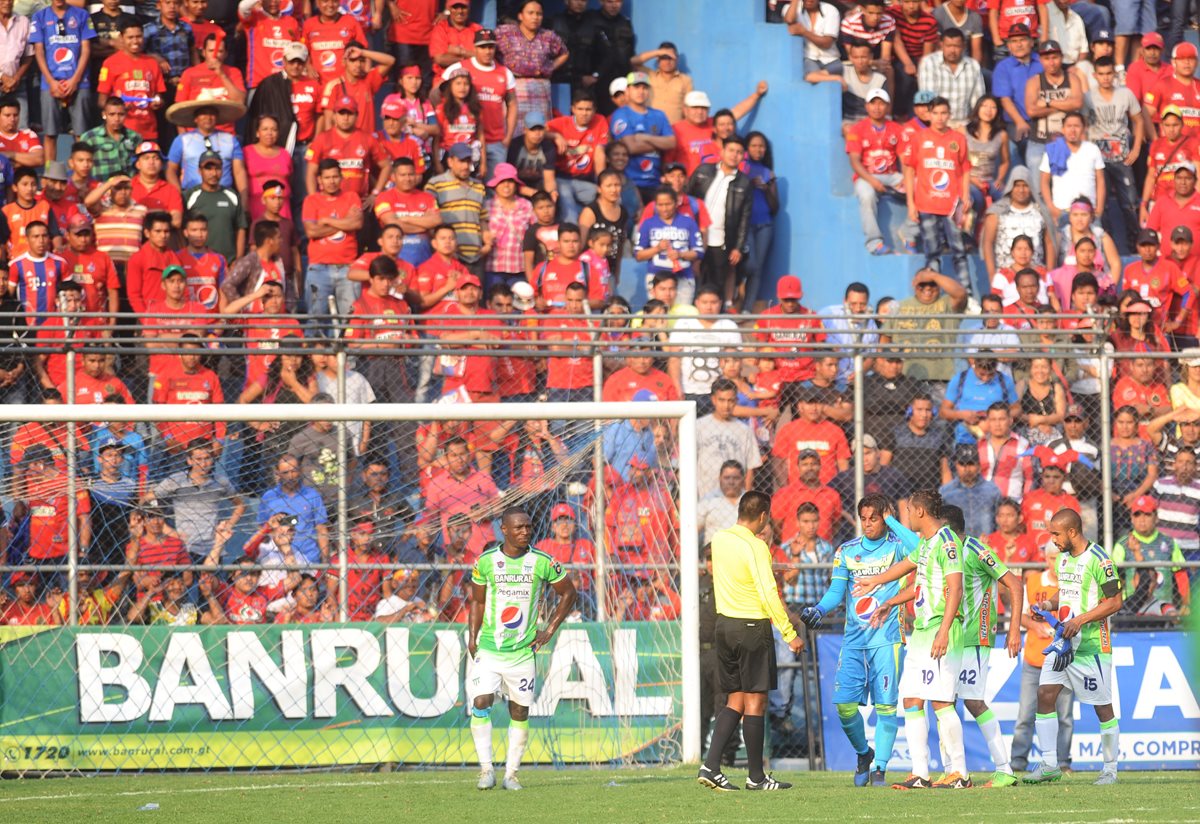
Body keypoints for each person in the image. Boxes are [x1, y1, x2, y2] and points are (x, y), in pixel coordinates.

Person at [852, 489, 967, 789]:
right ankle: (921, 773)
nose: (907, 516)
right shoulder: (928, 544)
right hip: (922, 633)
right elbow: (908, 570)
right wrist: (879, 587)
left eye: (908, 511)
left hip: (942, 632)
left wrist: (943, 631)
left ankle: (960, 773)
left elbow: (955, 589)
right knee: (912, 699)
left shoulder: (947, 541)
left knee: (942, 702)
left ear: (919, 512)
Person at [796, 493, 905, 787]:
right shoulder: (846, 550)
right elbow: (836, 591)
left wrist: (893, 520)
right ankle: (863, 753)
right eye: (864, 519)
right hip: (854, 639)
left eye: (875, 518)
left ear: (885, 517)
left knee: (886, 707)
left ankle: (880, 768)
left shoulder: (897, 547)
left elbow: (921, 550)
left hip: (887, 637)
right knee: (844, 706)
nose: (868, 524)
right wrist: (818, 608)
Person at [698, 490, 802, 792]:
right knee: (756, 701)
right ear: (763, 516)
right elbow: (768, 593)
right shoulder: (756, 546)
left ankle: (711, 765)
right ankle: (756, 777)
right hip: (751, 627)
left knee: (736, 700)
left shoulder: (719, 539)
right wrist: (789, 633)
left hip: (725, 626)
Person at [468, 505, 576, 791]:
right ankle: (485, 770)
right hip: (490, 648)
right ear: (504, 529)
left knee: (520, 712)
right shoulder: (486, 562)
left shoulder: (542, 561)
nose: (524, 531)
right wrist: (472, 636)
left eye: (528, 527)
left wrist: (549, 630)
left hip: (522, 653)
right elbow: (477, 601)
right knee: (481, 702)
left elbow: (569, 592)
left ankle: (511, 774)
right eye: (518, 527)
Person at [1026, 508, 1123, 785]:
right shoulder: (1064, 559)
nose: (1053, 540)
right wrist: (1047, 605)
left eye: (1056, 534)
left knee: (1102, 708)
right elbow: (1066, 593)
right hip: (1064, 644)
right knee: (1045, 694)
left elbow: (1115, 602)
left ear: (1072, 531)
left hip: (1091, 646)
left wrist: (1080, 620)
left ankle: (1110, 769)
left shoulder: (1100, 560)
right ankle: (1048, 764)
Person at [905, 97, 971, 290]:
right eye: (935, 113)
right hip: (926, 203)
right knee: (932, 252)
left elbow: (965, 169)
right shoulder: (919, 138)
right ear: (929, 114)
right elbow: (909, 170)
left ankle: (966, 294)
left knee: (959, 249)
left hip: (954, 204)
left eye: (944, 113)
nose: (940, 118)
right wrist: (911, 202)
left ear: (949, 115)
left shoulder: (958, 139)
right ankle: (932, 292)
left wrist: (965, 196)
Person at [1085, 57, 1143, 254]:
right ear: (1095, 76)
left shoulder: (1125, 94)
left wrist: (1136, 149)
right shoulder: (1087, 97)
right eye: (1101, 74)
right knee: (1103, 206)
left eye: (1109, 73)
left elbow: (1138, 120)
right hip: (1097, 160)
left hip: (1122, 158)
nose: (1105, 78)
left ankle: (1135, 245)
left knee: (1131, 203)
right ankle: (1105, 249)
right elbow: (1082, 125)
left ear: (1115, 74)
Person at [688, 136, 753, 310]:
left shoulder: (744, 183)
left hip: (722, 239)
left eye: (739, 152)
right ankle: (693, 314)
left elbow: (745, 218)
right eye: (731, 150)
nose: (734, 155)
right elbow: (687, 198)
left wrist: (738, 247)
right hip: (696, 237)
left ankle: (715, 318)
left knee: (717, 280)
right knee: (694, 276)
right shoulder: (703, 171)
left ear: (743, 156)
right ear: (722, 151)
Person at [30, 0, 96, 164]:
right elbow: (39, 51)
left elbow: (86, 49)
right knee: (51, 133)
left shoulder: (82, 15)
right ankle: (49, 176)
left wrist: (75, 80)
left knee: (81, 134)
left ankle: (80, 176)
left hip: (80, 82)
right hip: (50, 83)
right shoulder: (39, 17)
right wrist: (51, 81)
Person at [445, 28, 518, 173]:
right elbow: (437, 94)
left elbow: (512, 104)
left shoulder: (505, 73)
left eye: (490, 47)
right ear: (474, 47)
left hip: (496, 141)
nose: (487, 51)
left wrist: (508, 137)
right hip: (466, 142)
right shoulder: (459, 68)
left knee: (493, 187)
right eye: (482, 47)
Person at [302, 159, 363, 318]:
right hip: (319, 268)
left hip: (348, 268)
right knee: (316, 320)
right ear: (319, 180)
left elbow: (357, 223)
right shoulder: (311, 200)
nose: (332, 181)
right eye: (327, 178)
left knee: (350, 321)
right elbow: (312, 232)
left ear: (341, 178)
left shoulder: (351, 197)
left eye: (335, 177)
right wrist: (344, 222)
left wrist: (328, 221)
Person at [1110, 496, 1189, 614]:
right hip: (1133, 609)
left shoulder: (1168, 542)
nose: (1142, 520)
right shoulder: (1122, 545)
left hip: (1164, 609)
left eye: (1147, 514)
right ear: (1131, 518)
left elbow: (1180, 574)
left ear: (1156, 517)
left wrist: (1186, 604)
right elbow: (1112, 577)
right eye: (1137, 515)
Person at [610, 70, 675, 204]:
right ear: (627, 90)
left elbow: (672, 142)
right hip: (629, 182)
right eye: (636, 87)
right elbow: (631, 147)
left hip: (656, 181)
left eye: (644, 87)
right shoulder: (621, 115)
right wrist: (659, 143)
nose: (641, 91)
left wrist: (645, 137)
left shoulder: (659, 115)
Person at [1039, 112, 1105, 227]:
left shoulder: (1093, 149)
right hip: (1062, 210)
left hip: (1089, 210)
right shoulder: (1052, 151)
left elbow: (1100, 181)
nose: (1073, 130)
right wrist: (1052, 208)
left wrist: (1099, 208)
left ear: (1084, 129)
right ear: (1063, 129)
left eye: (1077, 126)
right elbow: (1044, 182)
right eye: (1069, 126)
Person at [917, 27, 983, 127]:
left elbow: (978, 101)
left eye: (957, 46)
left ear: (964, 46)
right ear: (941, 45)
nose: (952, 50)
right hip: (936, 124)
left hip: (965, 124)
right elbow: (928, 100)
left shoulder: (973, 65)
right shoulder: (928, 62)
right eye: (948, 46)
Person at [940, 443, 1002, 537]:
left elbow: (1000, 523)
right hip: (956, 546)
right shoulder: (945, 492)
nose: (967, 469)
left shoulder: (992, 491)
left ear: (978, 466)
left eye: (971, 464)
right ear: (956, 465)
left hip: (984, 546)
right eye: (962, 464)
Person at [786, 0, 842, 84]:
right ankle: (837, 79)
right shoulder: (791, 8)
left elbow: (827, 43)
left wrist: (804, 32)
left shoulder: (830, 10)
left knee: (812, 77)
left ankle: (834, 78)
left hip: (831, 60)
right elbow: (789, 20)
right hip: (809, 58)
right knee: (810, 76)